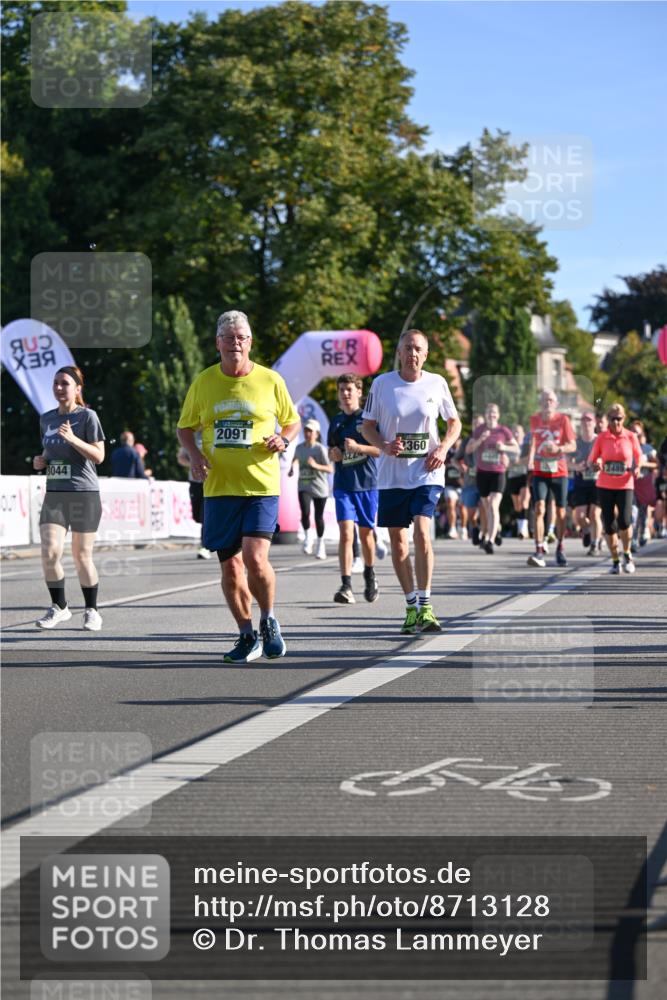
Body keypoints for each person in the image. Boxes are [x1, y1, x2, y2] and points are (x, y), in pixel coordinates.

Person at [177, 310, 300, 663]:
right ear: (218, 343)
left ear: (250, 342)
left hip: (261, 484)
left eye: (242, 337)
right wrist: (195, 455)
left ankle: (270, 620)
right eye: (229, 338)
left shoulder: (270, 380)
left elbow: (292, 421)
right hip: (219, 488)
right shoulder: (204, 382)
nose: (236, 343)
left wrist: (283, 439)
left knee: (254, 558)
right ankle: (246, 634)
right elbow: (185, 428)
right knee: (230, 567)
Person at [361, 328, 461, 634]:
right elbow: (367, 427)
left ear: (426, 354)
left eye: (418, 349)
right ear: (399, 353)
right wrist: (383, 445)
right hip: (392, 475)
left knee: (421, 531)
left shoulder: (437, 382)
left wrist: (443, 448)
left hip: (427, 471)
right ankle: (410, 605)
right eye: (407, 348)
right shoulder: (382, 384)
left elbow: (454, 422)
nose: (413, 354)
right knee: (398, 542)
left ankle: (427, 605)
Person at [32, 365, 106, 631]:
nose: (59, 388)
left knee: (81, 555)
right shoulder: (46, 419)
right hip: (55, 494)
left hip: (84, 494)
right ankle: (60, 607)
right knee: (49, 552)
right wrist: (40, 461)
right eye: (55, 383)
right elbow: (49, 450)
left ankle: (92, 610)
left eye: (64, 383)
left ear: (77, 389)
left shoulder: (88, 417)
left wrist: (74, 439)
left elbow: (99, 457)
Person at [327, 373, 381, 604]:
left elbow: (382, 451)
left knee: (366, 535)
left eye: (350, 389)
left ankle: (370, 576)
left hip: (367, 484)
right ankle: (346, 584)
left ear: (359, 392)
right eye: (341, 390)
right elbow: (332, 451)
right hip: (343, 485)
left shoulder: (368, 421)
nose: (345, 394)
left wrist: (360, 447)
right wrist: (335, 455)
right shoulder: (336, 422)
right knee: (346, 533)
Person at [588, 402, 643, 574]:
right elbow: (592, 459)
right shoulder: (601, 438)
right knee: (609, 525)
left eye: (619, 419)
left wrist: (638, 467)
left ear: (624, 419)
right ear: (608, 419)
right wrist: (595, 464)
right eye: (613, 419)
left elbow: (638, 455)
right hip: (605, 485)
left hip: (625, 484)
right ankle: (615, 560)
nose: (616, 422)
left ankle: (626, 553)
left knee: (625, 521)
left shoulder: (630, 436)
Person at [526, 390, 576, 568]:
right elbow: (532, 441)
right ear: (540, 403)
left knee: (561, 513)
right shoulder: (534, 419)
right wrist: (531, 459)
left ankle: (560, 547)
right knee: (539, 508)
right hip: (540, 471)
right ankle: (539, 550)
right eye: (545, 400)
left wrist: (558, 448)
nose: (547, 403)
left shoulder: (563, 420)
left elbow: (573, 445)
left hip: (559, 472)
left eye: (551, 400)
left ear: (556, 403)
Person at [465, 403, 518, 554]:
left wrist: (504, 448)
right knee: (487, 506)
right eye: (489, 412)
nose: (491, 415)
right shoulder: (479, 430)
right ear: (486, 414)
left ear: (498, 415)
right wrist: (480, 440)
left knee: (494, 505)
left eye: (494, 412)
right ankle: (497, 528)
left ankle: (490, 540)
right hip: (482, 473)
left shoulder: (503, 431)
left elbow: (516, 448)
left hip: (498, 472)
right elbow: (469, 449)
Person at [289, 418, 332, 560]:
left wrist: (315, 465)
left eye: (311, 431)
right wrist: (291, 468)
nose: (308, 433)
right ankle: (308, 538)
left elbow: (330, 468)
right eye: (306, 430)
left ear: (317, 434)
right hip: (304, 485)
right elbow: (295, 457)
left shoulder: (320, 449)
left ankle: (320, 545)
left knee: (318, 517)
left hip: (319, 488)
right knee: (305, 513)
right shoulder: (299, 447)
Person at [569, 411, 602, 555]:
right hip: (581, 483)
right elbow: (565, 461)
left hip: (598, 483)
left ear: (594, 424)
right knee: (579, 517)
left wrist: (599, 465)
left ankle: (595, 545)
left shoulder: (600, 440)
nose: (586, 424)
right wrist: (577, 467)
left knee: (595, 514)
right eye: (583, 421)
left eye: (589, 421)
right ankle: (588, 531)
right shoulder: (576, 443)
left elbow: (607, 458)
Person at [177, 433, 211, 559]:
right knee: (197, 516)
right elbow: (180, 457)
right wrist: (193, 461)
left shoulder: (214, 433)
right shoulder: (190, 436)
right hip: (195, 480)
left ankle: (204, 545)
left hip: (211, 482)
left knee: (205, 514)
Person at [507, 424, 531, 538]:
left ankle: (523, 529)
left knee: (524, 500)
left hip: (525, 475)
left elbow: (529, 459)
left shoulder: (526, 446)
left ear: (523, 434)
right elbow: (504, 462)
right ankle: (521, 524)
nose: (516, 434)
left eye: (518, 432)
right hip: (512, 476)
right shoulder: (508, 447)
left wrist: (518, 462)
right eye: (514, 432)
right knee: (517, 505)